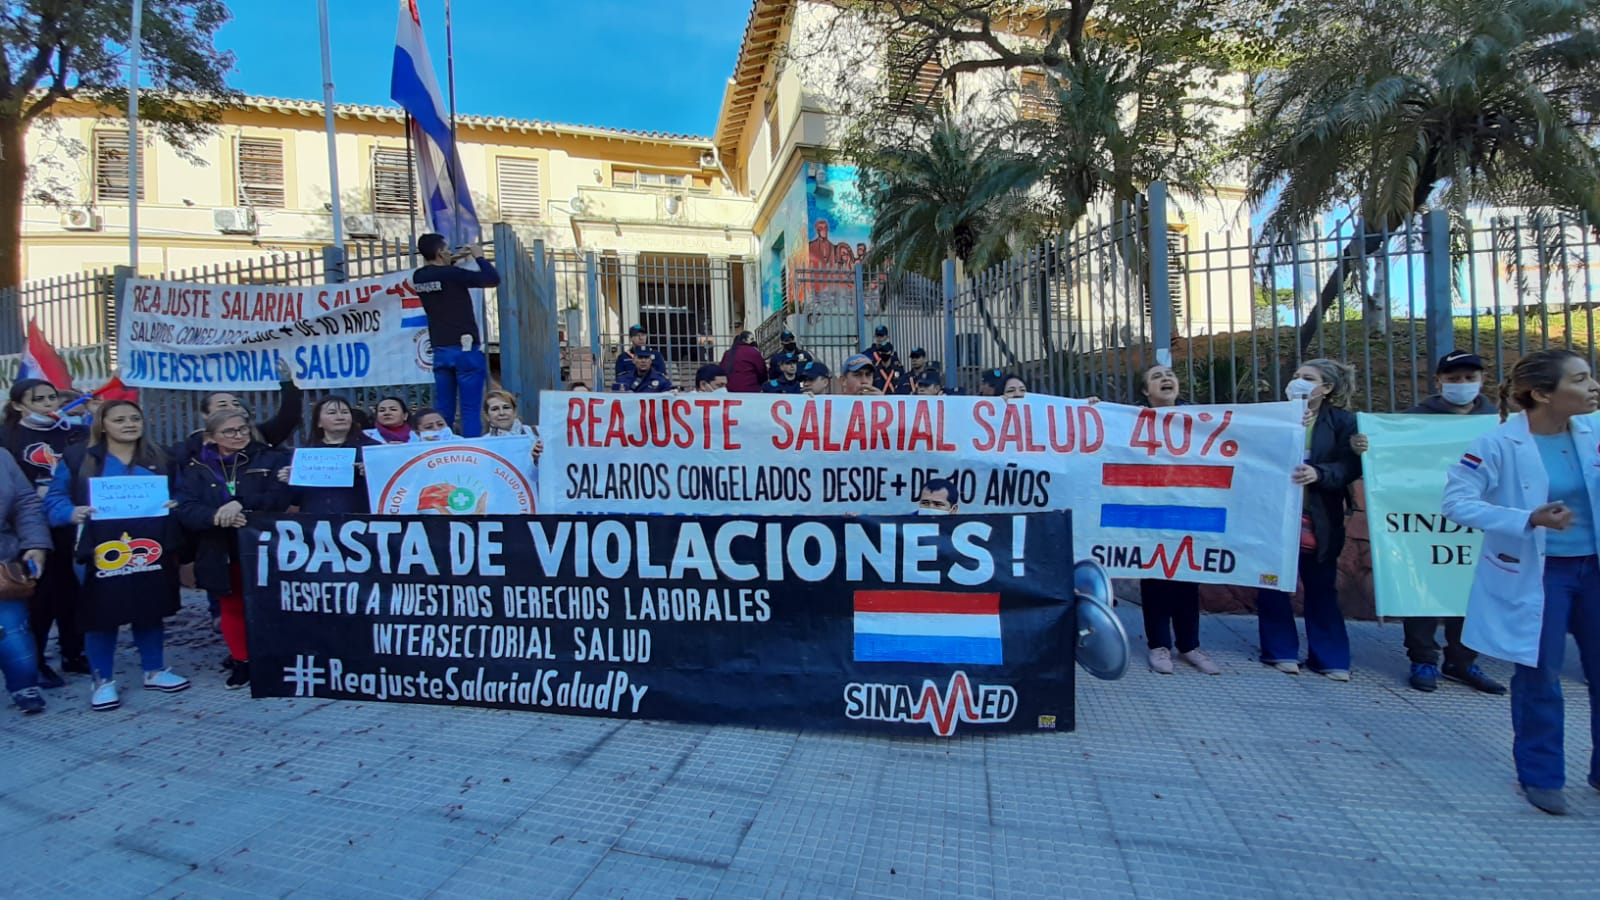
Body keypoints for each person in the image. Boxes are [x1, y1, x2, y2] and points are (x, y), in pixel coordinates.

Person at [1442, 348, 1600, 816]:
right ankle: (1541, 774)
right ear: (1542, 394)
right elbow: (1457, 503)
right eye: (1581, 379)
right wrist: (1526, 517)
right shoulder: (1496, 444)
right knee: (1540, 673)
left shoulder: (1594, 433)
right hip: (1541, 573)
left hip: (1594, 570)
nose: (1593, 386)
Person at [1353, 350, 1504, 694]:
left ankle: (1463, 661)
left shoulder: (1497, 421)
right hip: (1422, 521)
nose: (1462, 385)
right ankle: (1423, 659)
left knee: (1470, 591)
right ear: (1438, 382)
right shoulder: (1413, 421)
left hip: (1475, 521)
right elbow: (1387, 460)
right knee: (1420, 584)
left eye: (1469, 378)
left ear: (1482, 381)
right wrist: (1364, 446)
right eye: (1453, 379)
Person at [44, 400, 189, 710]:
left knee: (149, 608)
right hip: (97, 549)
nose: (128, 424)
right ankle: (103, 680)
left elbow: (181, 493)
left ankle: (155, 670)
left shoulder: (161, 456)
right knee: (100, 614)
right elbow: (53, 501)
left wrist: (175, 505)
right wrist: (72, 512)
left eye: (135, 418)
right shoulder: (78, 458)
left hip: (151, 547)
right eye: (119, 419)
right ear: (102, 424)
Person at [1256, 359, 1361, 680]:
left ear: (1326, 388)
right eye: (1296, 376)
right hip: (1274, 514)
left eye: (1308, 378)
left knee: (1321, 588)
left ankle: (1330, 657)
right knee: (1272, 584)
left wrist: (1320, 473)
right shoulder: (1273, 416)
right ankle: (1279, 651)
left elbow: (1350, 466)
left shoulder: (1344, 423)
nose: (1298, 382)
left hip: (1318, 518)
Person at [176, 409, 292, 689]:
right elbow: (186, 507)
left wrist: (241, 502)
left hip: (266, 545)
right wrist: (216, 516)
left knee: (271, 605)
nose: (238, 435)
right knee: (232, 606)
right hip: (220, 546)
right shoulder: (194, 468)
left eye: (242, 429)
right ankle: (242, 661)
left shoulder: (271, 457)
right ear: (211, 437)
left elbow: (280, 496)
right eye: (229, 431)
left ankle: (273, 656)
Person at [0, 378, 88, 687]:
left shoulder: (74, 430)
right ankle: (34, 660)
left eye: (52, 397)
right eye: (39, 399)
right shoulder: (8, 436)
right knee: (42, 596)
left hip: (70, 520)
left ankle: (74, 652)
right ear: (18, 405)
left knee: (74, 592)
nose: (49, 404)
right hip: (31, 527)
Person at [1135, 364, 1221, 676]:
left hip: (1189, 510)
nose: (1166, 378)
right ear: (1146, 391)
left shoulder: (1201, 421)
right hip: (1150, 511)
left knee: (1187, 578)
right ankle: (1159, 646)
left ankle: (1190, 646)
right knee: (1155, 578)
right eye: (1156, 376)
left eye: (1170, 374)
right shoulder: (1128, 420)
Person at [411, 233, 499, 438]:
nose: (451, 252)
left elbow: (442, 273)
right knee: (469, 409)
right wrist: (479, 256)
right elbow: (492, 278)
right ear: (440, 252)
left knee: (443, 409)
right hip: (465, 349)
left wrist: (454, 259)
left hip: (441, 350)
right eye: (447, 249)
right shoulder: (453, 274)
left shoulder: (419, 276)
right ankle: (471, 451)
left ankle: (440, 447)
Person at [171, 358, 304, 466]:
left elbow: (289, 417)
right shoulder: (193, 446)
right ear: (205, 415)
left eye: (236, 404)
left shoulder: (260, 435)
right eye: (222, 405)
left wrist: (287, 384)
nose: (232, 408)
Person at [0, 450, 50, 714]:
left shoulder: (2, 457)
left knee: (12, 632)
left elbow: (25, 503)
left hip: (2, 562)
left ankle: (24, 686)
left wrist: (35, 544)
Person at [278, 396, 377, 516]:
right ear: (319, 422)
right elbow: (296, 499)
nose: (340, 417)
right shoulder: (306, 454)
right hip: (316, 523)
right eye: (332, 413)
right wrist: (290, 481)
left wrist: (373, 474)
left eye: (345, 412)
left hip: (359, 521)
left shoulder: (372, 449)